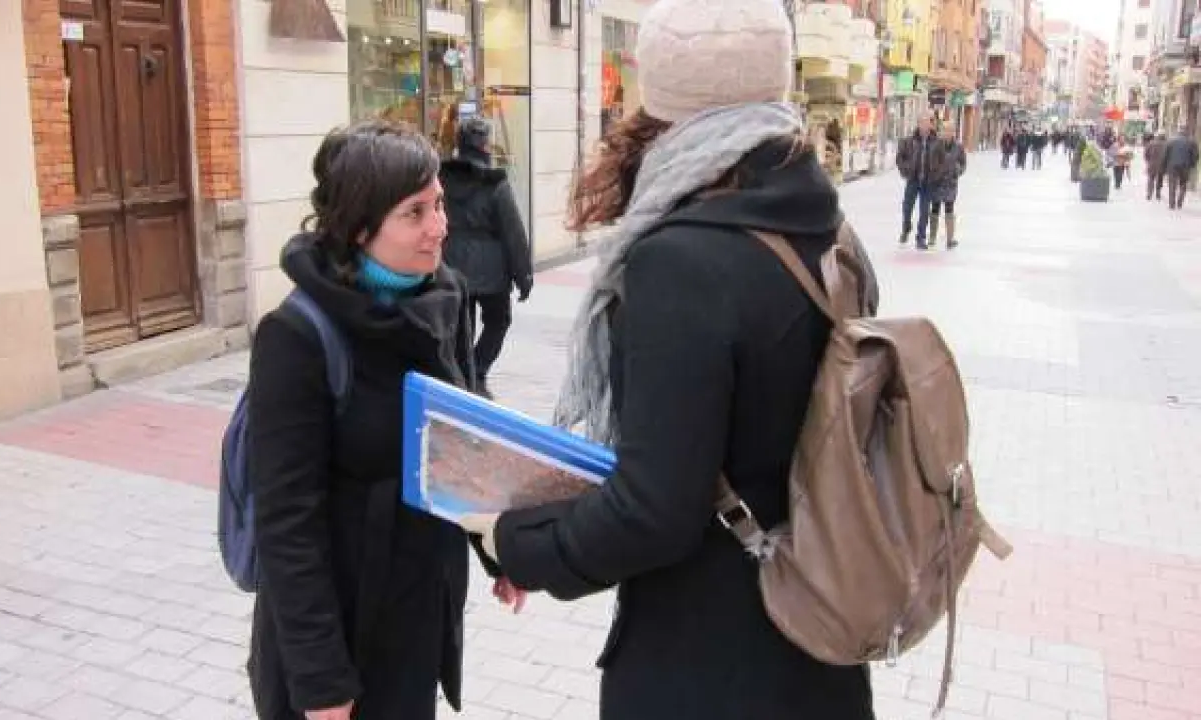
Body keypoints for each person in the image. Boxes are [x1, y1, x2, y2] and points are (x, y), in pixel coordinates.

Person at [457, 0, 880, 717]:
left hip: (707, 662)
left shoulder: (681, 262)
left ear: (661, 98)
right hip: (817, 642)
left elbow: (654, 511)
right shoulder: (828, 230)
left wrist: (515, 542)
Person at [245, 123, 525, 720]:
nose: (439, 226)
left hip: (417, 617)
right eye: (415, 212)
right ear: (359, 227)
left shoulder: (444, 300)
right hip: (336, 633)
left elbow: (462, 446)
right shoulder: (297, 336)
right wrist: (322, 681)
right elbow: (286, 523)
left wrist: (501, 549)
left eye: (439, 203)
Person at [438, 116, 533, 399]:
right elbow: (513, 233)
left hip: (451, 263)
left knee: (461, 327)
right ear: (485, 145)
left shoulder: (442, 179)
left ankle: (464, 374)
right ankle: (477, 371)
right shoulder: (495, 184)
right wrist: (523, 275)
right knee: (498, 321)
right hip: (492, 270)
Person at [896, 113, 937, 249]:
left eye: (927, 123)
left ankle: (921, 238)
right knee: (907, 208)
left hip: (928, 182)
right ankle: (906, 227)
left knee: (924, 211)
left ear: (931, 125)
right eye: (922, 123)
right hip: (913, 180)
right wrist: (906, 170)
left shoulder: (937, 142)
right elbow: (900, 158)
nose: (925, 126)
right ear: (918, 124)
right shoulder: (908, 141)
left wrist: (936, 175)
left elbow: (942, 160)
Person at [929, 120, 967, 250]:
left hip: (951, 183)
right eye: (945, 130)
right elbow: (931, 162)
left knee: (949, 209)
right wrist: (937, 172)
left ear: (953, 132)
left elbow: (963, 163)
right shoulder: (936, 145)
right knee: (935, 208)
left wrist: (957, 171)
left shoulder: (959, 147)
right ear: (941, 132)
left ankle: (950, 239)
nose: (947, 133)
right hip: (938, 182)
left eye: (950, 130)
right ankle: (932, 238)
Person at [1163, 127, 1199, 210]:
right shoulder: (1192, 142)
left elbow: (1165, 154)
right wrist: (1192, 165)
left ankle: (1172, 203)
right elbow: (1196, 155)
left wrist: (1165, 166)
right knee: (1183, 184)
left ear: (1179, 132)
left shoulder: (1171, 141)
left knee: (1172, 184)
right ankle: (1179, 202)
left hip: (1173, 165)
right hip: (1186, 166)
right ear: (1187, 132)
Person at [1144, 132, 1166, 201]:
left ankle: (1149, 193)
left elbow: (1146, 154)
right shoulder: (1165, 145)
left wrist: (1148, 161)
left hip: (1152, 164)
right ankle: (1158, 194)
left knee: (1151, 179)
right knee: (1159, 179)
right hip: (1161, 165)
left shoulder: (1150, 144)